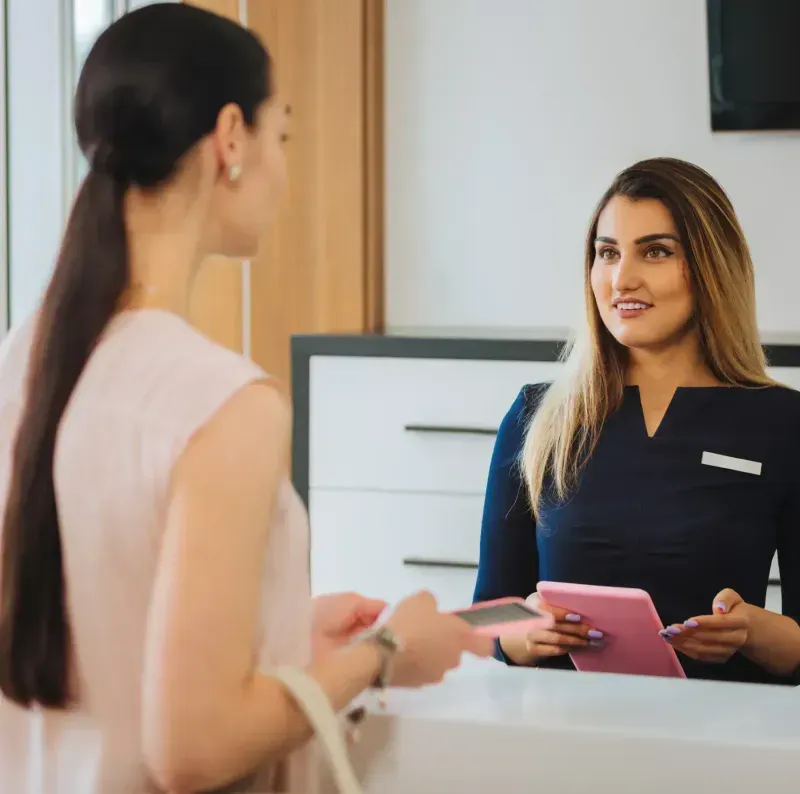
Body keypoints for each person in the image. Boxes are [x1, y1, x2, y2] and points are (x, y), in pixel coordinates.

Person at [0, 5, 492, 793]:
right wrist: (388, 650)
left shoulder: (22, 357)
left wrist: (275, 637)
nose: (285, 169)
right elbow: (194, 748)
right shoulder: (222, 401)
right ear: (231, 138)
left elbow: (100, 630)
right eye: (282, 135)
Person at [473, 157, 800, 686]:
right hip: (564, 735)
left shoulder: (783, 422)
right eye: (607, 253)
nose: (622, 278)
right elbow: (483, 616)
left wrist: (757, 634)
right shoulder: (537, 416)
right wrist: (520, 633)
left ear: (712, 267)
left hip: (722, 738)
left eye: (656, 251)